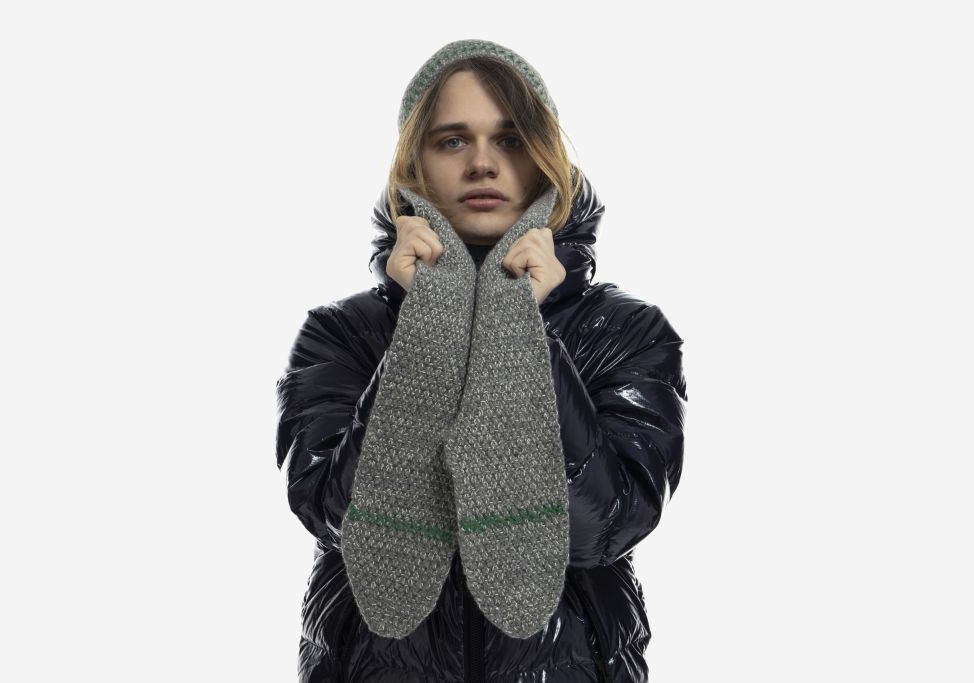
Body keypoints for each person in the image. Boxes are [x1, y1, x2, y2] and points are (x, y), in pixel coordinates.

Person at [275, 39, 688, 683]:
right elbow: (332, 515)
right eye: (452, 141)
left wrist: (523, 331)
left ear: (546, 159)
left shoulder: (627, 330)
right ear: (414, 164)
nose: (483, 164)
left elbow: (606, 528)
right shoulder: (341, 333)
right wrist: (428, 329)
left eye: (512, 140)